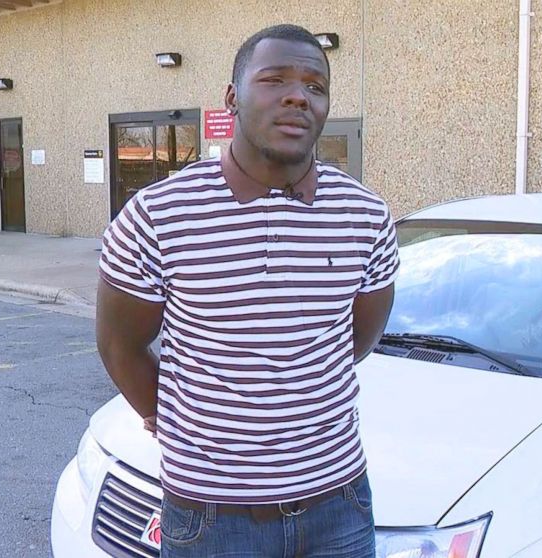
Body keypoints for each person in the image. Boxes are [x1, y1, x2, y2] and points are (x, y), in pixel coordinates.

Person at [96, 24, 398, 557]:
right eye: (275, 79)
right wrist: (184, 425)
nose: (298, 96)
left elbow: (357, 340)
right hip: (212, 516)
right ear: (232, 98)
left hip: (339, 505)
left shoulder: (365, 214)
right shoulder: (158, 216)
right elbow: (120, 346)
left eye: (315, 85)